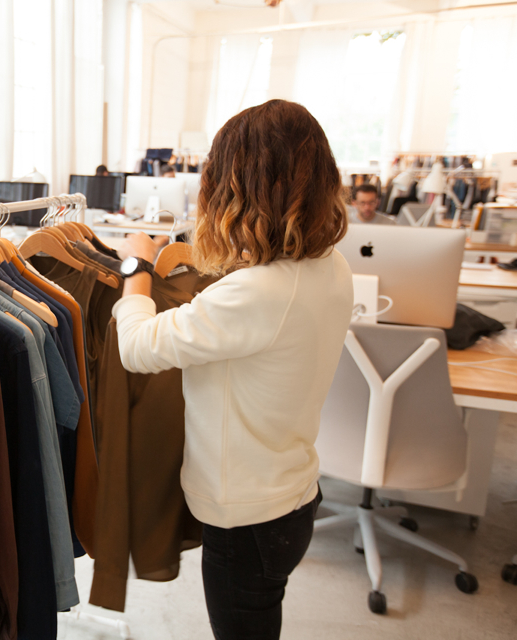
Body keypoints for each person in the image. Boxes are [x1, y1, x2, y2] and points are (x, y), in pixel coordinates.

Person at [113, 99, 353, 640]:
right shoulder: (329, 265)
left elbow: (138, 347)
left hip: (249, 520)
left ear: (236, 185)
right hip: (289, 493)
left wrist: (138, 267)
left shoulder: (258, 293)